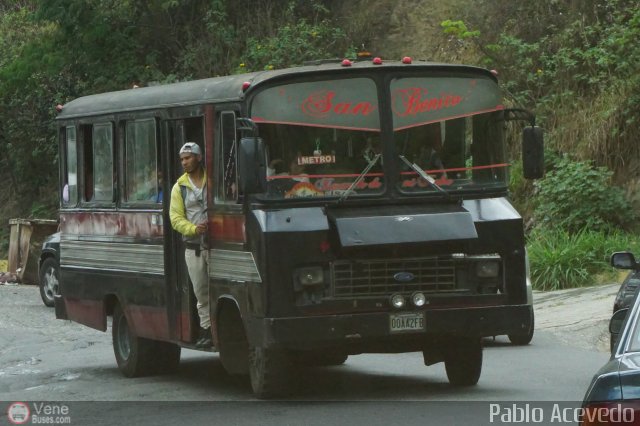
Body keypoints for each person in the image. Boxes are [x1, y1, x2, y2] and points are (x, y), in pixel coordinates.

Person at [169, 142, 211, 348]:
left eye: (188, 157)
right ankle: (207, 330)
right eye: (182, 159)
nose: (184, 162)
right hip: (194, 248)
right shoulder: (179, 187)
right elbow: (175, 219)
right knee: (201, 292)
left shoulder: (213, 180)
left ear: (199, 157)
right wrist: (194, 229)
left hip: (215, 246)